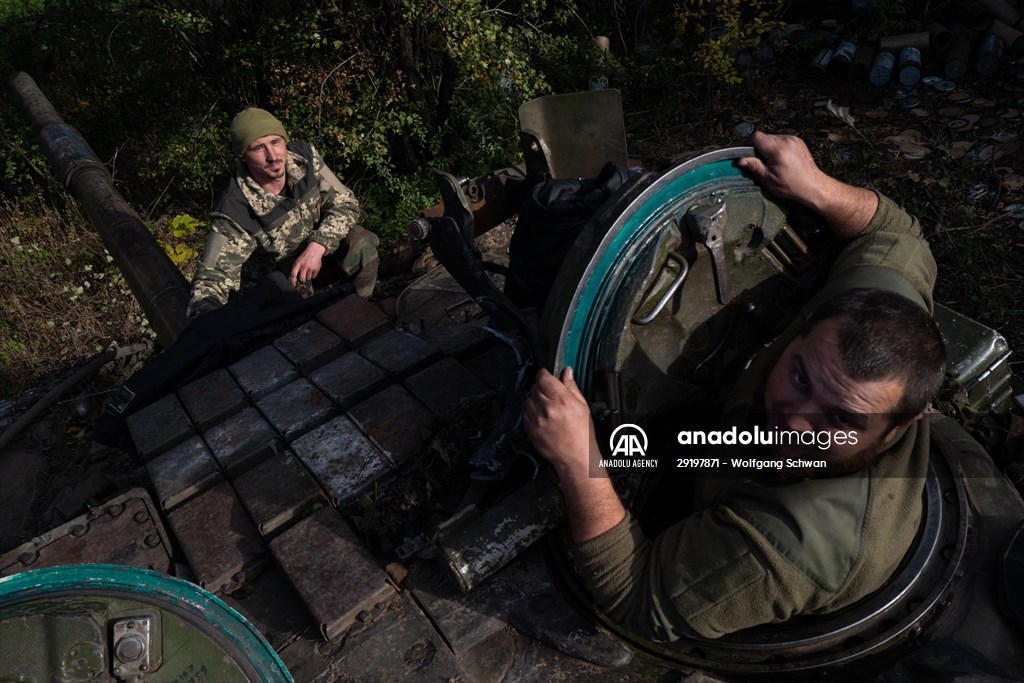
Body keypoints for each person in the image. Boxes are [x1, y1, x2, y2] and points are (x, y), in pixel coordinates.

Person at [523, 131, 947, 641]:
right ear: (811, 321)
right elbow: (898, 234)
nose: (796, 420)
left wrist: (577, 461)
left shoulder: (789, 546)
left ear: (900, 426)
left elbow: (635, 600)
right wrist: (818, 187)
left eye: (840, 418)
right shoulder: (872, 310)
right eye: (800, 375)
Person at [187, 108, 379, 318]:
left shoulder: (304, 158)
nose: (272, 156)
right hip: (276, 283)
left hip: (315, 256)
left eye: (276, 142)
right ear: (243, 157)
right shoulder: (234, 209)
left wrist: (319, 244)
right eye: (259, 148)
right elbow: (211, 279)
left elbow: (345, 203)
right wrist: (206, 325)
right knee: (297, 314)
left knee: (361, 243)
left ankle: (360, 315)